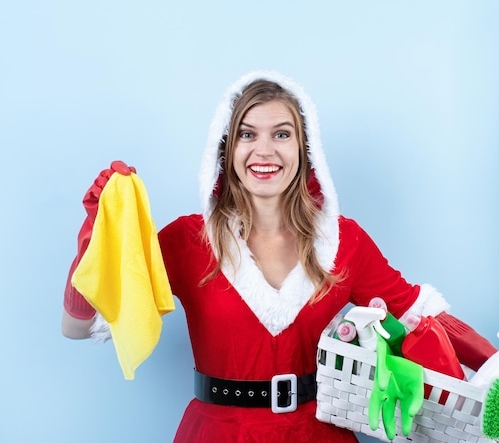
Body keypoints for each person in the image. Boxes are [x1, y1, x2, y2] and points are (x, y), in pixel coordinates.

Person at [61, 71, 497, 442]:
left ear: (305, 150)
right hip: (216, 432)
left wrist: (493, 373)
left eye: (282, 134)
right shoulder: (186, 241)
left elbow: (423, 317)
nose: (264, 151)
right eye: (248, 134)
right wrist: (95, 237)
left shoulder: (343, 241)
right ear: (226, 150)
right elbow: (80, 328)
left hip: (319, 433)